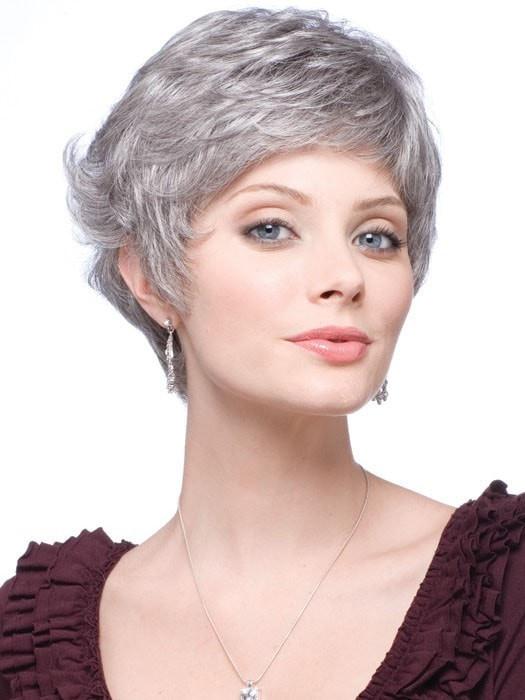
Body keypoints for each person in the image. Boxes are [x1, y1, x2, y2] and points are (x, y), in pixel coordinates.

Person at [1, 6, 524, 699]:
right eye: (271, 228)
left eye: (376, 236)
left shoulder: (507, 593)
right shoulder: (34, 642)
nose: (344, 277)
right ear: (151, 277)